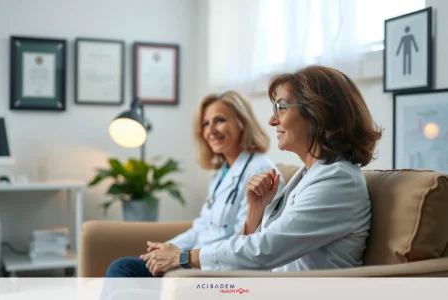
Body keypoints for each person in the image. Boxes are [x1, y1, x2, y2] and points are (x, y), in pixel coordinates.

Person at [140, 65, 382, 275]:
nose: (272, 120)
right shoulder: (308, 175)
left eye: (282, 108)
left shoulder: (337, 181)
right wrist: (255, 214)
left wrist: (183, 257)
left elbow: (265, 250)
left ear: (318, 113)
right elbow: (257, 248)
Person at [104, 90, 284, 277]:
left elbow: (245, 241)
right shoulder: (223, 172)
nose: (211, 130)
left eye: (220, 120)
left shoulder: (260, 173)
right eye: (206, 124)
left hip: (213, 268)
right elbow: (201, 227)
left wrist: (181, 257)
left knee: (121, 269)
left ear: (242, 123)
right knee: (124, 270)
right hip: (193, 260)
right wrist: (165, 251)